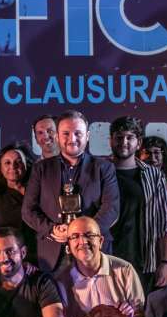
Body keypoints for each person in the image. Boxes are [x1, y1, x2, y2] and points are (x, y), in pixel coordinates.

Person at [22, 110, 119, 271]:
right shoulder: (41, 169)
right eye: (66, 133)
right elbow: (28, 211)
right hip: (53, 255)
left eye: (78, 133)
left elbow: (112, 209)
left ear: (87, 136)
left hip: (93, 252)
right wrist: (52, 229)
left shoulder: (104, 168)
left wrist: (82, 234)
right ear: (57, 136)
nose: (72, 139)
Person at [108, 116, 167, 290]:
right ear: (110, 141)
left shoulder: (154, 175)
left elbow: (166, 222)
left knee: (142, 307)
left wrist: (165, 262)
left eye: (130, 137)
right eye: (119, 137)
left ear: (138, 143)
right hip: (105, 260)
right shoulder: (99, 171)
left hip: (143, 262)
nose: (124, 142)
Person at [0, 143, 38, 262]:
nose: (13, 166)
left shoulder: (39, 191)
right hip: (9, 259)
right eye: (7, 163)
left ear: (26, 164)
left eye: (18, 162)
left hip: (39, 255)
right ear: (0, 167)